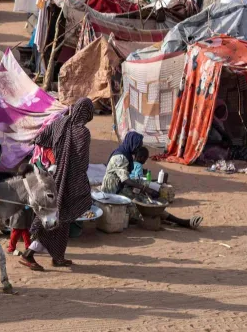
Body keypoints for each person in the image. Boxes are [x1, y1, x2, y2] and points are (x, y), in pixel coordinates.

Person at [21, 98, 94, 271]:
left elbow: (40, 138)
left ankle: (58, 256)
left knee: (64, 217)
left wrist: (54, 159)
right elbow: (82, 162)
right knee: (56, 216)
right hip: (68, 180)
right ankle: (29, 254)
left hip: (52, 175)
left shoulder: (60, 123)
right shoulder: (82, 132)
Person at [102, 135, 202, 229]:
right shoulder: (121, 157)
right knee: (137, 204)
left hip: (120, 186)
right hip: (112, 190)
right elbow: (125, 180)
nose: (138, 149)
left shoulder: (125, 153)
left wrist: (143, 187)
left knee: (143, 199)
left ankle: (178, 221)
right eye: (137, 146)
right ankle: (170, 221)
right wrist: (144, 188)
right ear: (132, 143)